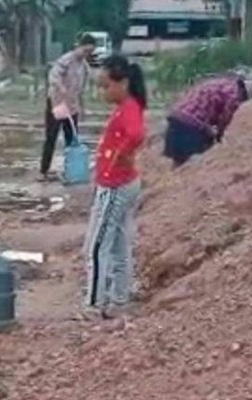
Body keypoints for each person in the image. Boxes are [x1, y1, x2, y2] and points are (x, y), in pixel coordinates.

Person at [84, 55, 147, 319]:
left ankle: (94, 304)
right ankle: (118, 301)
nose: (103, 92)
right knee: (119, 245)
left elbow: (136, 135)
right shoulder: (127, 107)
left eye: (106, 86)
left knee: (97, 247)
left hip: (115, 186)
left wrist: (119, 156)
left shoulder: (129, 108)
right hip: (120, 183)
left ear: (123, 83)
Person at [164, 74, 252, 167]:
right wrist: (219, 135)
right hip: (192, 124)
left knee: (178, 160)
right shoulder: (234, 94)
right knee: (199, 153)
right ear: (244, 94)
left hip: (176, 116)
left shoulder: (219, 82)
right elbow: (225, 118)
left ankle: (172, 178)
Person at [39, 32, 97, 181]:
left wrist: (82, 107)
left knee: (71, 140)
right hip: (57, 104)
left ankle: (71, 171)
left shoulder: (84, 67)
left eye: (89, 52)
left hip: (71, 107)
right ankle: (43, 171)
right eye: (85, 51)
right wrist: (61, 88)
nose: (86, 54)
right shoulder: (65, 60)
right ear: (78, 46)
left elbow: (81, 90)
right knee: (51, 137)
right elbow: (53, 76)